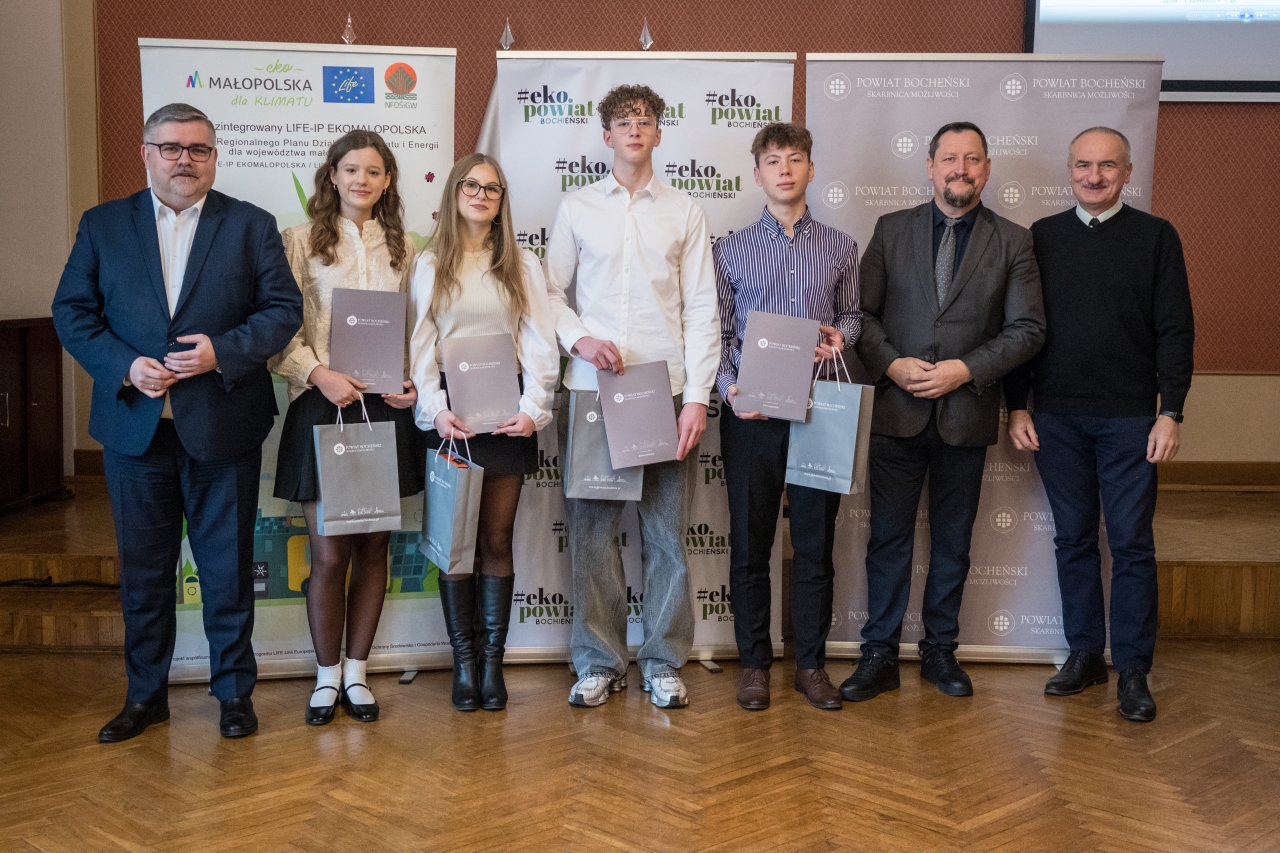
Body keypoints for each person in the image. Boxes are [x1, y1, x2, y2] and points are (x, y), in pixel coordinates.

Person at [52, 103, 303, 742]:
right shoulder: (103, 225)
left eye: (198, 149)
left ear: (214, 157)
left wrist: (223, 351)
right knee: (144, 576)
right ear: (147, 154)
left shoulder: (250, 225)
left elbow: (282, 310)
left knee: (227, 571)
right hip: (134, 431)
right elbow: (72, 311)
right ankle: (146, 698)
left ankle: (234, 695)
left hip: (224, 425)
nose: (184, 160)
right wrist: (123, 366)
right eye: (171, 148)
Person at [844, 121, 1045, 703]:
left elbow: (1028, 328)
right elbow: (861, 315)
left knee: (953, 543)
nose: (961, 169)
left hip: (966, 414)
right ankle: (878, 655)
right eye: (950, 158)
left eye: (972, 159)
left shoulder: (1013, 241)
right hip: (896, 413)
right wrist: (891, 364)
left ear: (987, 168)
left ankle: (940, 652)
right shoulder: (891, 229)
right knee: (888, 541)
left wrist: (965, 369)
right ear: (930, 166)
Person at [1005, 127, 1194, 723]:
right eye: (1083, 165)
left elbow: (1176, 330)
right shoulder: (1041, 237)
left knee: (1132, 544)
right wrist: (1016, 405)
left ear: (1127, 171)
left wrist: (1171, 411)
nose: (1094, 176)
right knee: (1074, 539)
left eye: (1107, 165)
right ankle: (1085, 654)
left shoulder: (1156, 236)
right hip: (1055, 417)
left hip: (1131, 420)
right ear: (1069, 170)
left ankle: (1133, 669)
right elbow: (1021, 327)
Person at [546, 84, 719, 709]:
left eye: (645, 120)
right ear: (607, 135)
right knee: (593, 534)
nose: (635, 130)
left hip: (665, 392)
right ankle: (599, 661)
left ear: (659, 133)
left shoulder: (685, 211)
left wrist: (696, 397)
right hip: (594, 392)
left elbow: (702, 308)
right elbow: (548, 294)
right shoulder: (576, 207)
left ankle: (664, 662)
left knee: (666, 534)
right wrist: (581, 340)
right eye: (624, 122)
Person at [269, 130, 422, 726]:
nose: (362, 180)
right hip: (320, 403)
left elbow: (420, 331)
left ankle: (358, 674)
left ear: (387, 181)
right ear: (332, 175)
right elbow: (278, 330)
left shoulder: (406, 248)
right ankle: (325, 676)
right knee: (330, 554)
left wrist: (412, 382)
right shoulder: (298, 240)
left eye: (374, 171)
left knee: (374, 548)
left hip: (384, 409)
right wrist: (318, 373)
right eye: (351, 169)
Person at [714, 123, 861, 711]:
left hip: (817, 410)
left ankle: (811, 666)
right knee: (751, 545)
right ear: (757, 174)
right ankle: (754, 665)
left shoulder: (841, 247)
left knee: (815, 545)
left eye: (794, 159)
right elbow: (722, 333)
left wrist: (841, 337)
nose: (784, 169)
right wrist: (730, 391)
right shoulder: (729, 249)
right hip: (751, 413)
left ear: (810, 169)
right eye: (772, 161)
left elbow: (853, 315)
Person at [409, 153, 559, 712]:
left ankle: (492, 665)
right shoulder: (430, 264)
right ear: (454, 193)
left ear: (502, 202)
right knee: (455, 547)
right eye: (471, 185)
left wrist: (534, 409)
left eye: (492, 188)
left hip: (506, 414)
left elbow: (539, 341)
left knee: (496, 540)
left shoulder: (521, 264)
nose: (481, 194)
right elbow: (420, 345)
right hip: (451, 416)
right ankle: (464, 665)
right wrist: (435, 410)